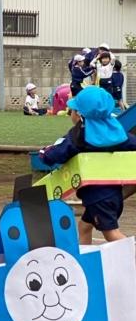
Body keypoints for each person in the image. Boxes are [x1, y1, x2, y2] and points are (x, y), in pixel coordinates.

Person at [40, 86, 136, 245]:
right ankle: (85, 257)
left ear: (79, 114)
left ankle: (132, 254)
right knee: (84, 226)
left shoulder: (79, 136)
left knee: (111, 234)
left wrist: (44, 153)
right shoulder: (118, 133)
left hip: (97, 198)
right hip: (114, 193)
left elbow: (56, 154)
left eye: (72, 111)